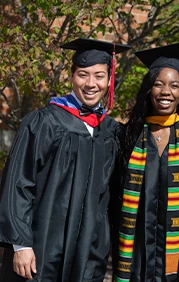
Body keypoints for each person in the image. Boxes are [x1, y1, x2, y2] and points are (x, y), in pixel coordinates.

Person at [0, 38, 131, 282]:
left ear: (110, 80)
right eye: (83, 74)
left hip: (88, 254)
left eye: (99, 76)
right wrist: (20, 244)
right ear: (71, 77)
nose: (91, 83)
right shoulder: (44, 123)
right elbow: (18, 183)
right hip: (41, 248)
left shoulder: (112, 132)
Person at [113, 43, 179, 282]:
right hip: (135, 255)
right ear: (148, 89)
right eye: (159, 84)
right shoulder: (128, 135)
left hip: (178, 253)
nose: (166, 91)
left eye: (174, 85)